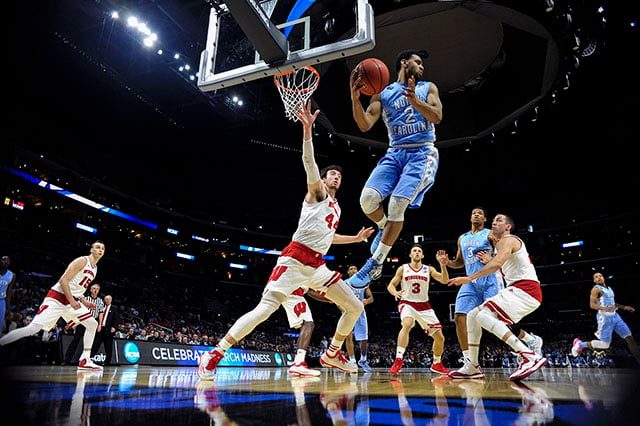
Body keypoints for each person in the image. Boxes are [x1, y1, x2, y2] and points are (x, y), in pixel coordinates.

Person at [197, 101, 373, 379]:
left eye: (339, 176)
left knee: (354, 306)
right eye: (332, 175)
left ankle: (332, 353)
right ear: (324, 180)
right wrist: (307, 131)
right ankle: (215, 353)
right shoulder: (317, 195)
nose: (336, 178)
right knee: (264, 311)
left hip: (317, 265)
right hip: (294, 258)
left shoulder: (337, 208)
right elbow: (309, 163)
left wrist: (356, 238)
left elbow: (328, 239)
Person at [347, 49, 443, 288]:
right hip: (395, 153)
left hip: (422, 152)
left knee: (397, 204)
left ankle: (376, 262)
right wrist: (354, 99)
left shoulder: (428, 87)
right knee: (367, 200)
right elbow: (365, 124)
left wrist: (415, 102)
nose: (421, 67)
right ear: (404, 63)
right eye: (417, 62)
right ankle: (383, 227)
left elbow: (438, 117)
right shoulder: (383, 93)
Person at [448, 214, 546, 381]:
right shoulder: (501, 245)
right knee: (472, 315)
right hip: (520, 291)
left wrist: (471, 277)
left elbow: (498, 264)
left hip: (525, 290)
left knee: (483, 315)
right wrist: (490, 260)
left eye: (499, 220)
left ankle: (528, 355)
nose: (494, 222)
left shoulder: (509, 239)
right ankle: (472, 366)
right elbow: (500, 263)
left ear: (508, 227)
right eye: (493, 220)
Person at [0, 240, 106, 371]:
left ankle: (85, 359)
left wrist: (83, 300)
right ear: (91, 250)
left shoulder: (95, 269)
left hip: (71, 301)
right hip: (57, 298)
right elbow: (63, 280)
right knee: (33, 329)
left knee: (92, 324)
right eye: (97, 247)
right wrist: (73, 301)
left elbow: (77, 287)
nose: (100, 250)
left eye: (102, 248)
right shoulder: (82, 261)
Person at [386, 245, 451, 375]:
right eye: (414, 251)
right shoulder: (403, 268)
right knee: (407, 324)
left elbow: (445, 280)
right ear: (410, 255)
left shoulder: (429, 269)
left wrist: (443, 265)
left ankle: (437, 363)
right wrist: (395, 293)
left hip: (424, 305)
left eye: (419, 251)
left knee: (440, 338)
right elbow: (391, 285)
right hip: (407, 302)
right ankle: (398, 359)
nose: (417, 252)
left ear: (422, 256)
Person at [571, 272, 640, 365]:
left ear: (603, 278)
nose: (599, 278)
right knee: (605, 345)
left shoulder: (609, 289)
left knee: (629, 338)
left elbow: (613, 303)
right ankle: (580, 344)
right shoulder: (596, 289)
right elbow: (592, 305)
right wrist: (605, 308)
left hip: (615, 316)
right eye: (596, 277)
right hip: (605, 318)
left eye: (600, 276)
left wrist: (624, 307)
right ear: (594, 280)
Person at [282, 286, 330, 377]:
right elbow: (311, 292)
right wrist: (331, 299)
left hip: (285, 289)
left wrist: (329, 300)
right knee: (308, 324)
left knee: (306, 325)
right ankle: (299, 364)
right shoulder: (307, 274)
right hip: (293, 291)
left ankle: (297, 362)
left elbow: (309, 291)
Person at [342, 264, 374, 372]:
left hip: (360, 311)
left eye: (355, 268)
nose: (354, 270)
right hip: (348, 310)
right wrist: (342, 308)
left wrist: (367, 301)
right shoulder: (344, 283)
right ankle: (352, 361)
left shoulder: (363, 283)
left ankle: (363, 360)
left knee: (363, 338)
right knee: (348, 336)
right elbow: (338, 298)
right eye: (351, 269)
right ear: (348, 272)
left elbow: (371, 298)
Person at [64, 282, 104, 365]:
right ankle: (67, 360)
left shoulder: (100, 301)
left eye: (97, 289)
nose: (95, 290)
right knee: (75, 340)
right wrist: (75, 322)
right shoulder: (85, 299)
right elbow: (78, 311)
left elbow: (101, 313)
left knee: (90, 342)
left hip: (93, 323)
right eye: (94, 288)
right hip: (82, 322)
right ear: (90, 290)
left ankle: (87, 360)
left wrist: (100, 324)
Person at [91, 294, 120, 365]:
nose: (107, 300)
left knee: (108, 347)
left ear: (111, 300)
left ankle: (107, 362)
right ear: (104, 300)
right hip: (100, 329)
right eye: (106, 299)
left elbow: (117, 319)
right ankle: (90, 359)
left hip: (109, 330)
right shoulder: (101, 307)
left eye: (109, 299)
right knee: (95, 344)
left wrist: (115, 327)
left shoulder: (114, 308)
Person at [0, 256, 16, 335]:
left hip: (2, 301)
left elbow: (9, 292)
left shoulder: (12, 275)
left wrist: (8, 308)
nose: (5, 261)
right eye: (3, 259)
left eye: (7, 260)